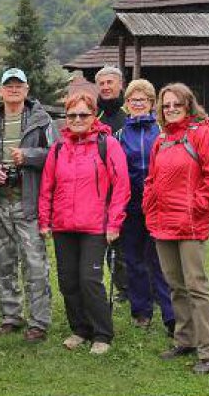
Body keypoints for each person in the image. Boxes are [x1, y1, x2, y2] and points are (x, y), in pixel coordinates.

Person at [144, 83, 209, 375]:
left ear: (188, 105)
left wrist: (197, 206)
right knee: (175, 285)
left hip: (190, 223)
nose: (171, 109)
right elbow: (152, 178)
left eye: (176, 104)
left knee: (196, 286)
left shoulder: (203, 134)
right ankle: (185, 339)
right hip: (162, 222)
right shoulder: (162, 139)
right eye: (166, 105)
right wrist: (149, 204)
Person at [39, 91, 130, 355]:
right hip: (63, 226)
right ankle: (80, 329)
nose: (77, 119)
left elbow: (121, 186)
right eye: (72, 115)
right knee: (68, 281)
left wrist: (114, 223)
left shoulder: (107, 144)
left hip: (95, 226)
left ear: (93, 116)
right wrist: (44, 220)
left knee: (89, 280)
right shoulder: (58, 148)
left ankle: (102, 333)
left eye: (83, 114)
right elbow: (47, 187)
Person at [0, 68, 56, 343]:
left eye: (18, 85)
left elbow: (57, 153)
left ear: (27, 90)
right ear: (0, 91)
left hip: (28, 201)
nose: (13, 90)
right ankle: (11, 316)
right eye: (8, 85)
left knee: (35, 264)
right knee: (2, 262)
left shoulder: (42, 120)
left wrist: (29, 156)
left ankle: (38, 322)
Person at [116, 79, 175, 335]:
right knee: (134, 259)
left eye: (143, 99)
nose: (138, 103)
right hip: (131, 206)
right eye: (133, 100)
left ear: (152, 103)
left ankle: (171, 314)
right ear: (127, 104)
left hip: (159, 204)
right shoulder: (119, 135)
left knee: (160, 259)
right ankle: (141, 311)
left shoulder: (163, 132)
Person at [94, 65, 129, 303]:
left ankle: (140, 287)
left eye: (110, 82)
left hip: (129, 186)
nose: (106, 87)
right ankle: (122, 288)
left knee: (131, 243)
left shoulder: (130, 113)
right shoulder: (95, 116)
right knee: (110, 242)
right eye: (102, 84)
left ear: (120, 85)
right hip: (101, 191)